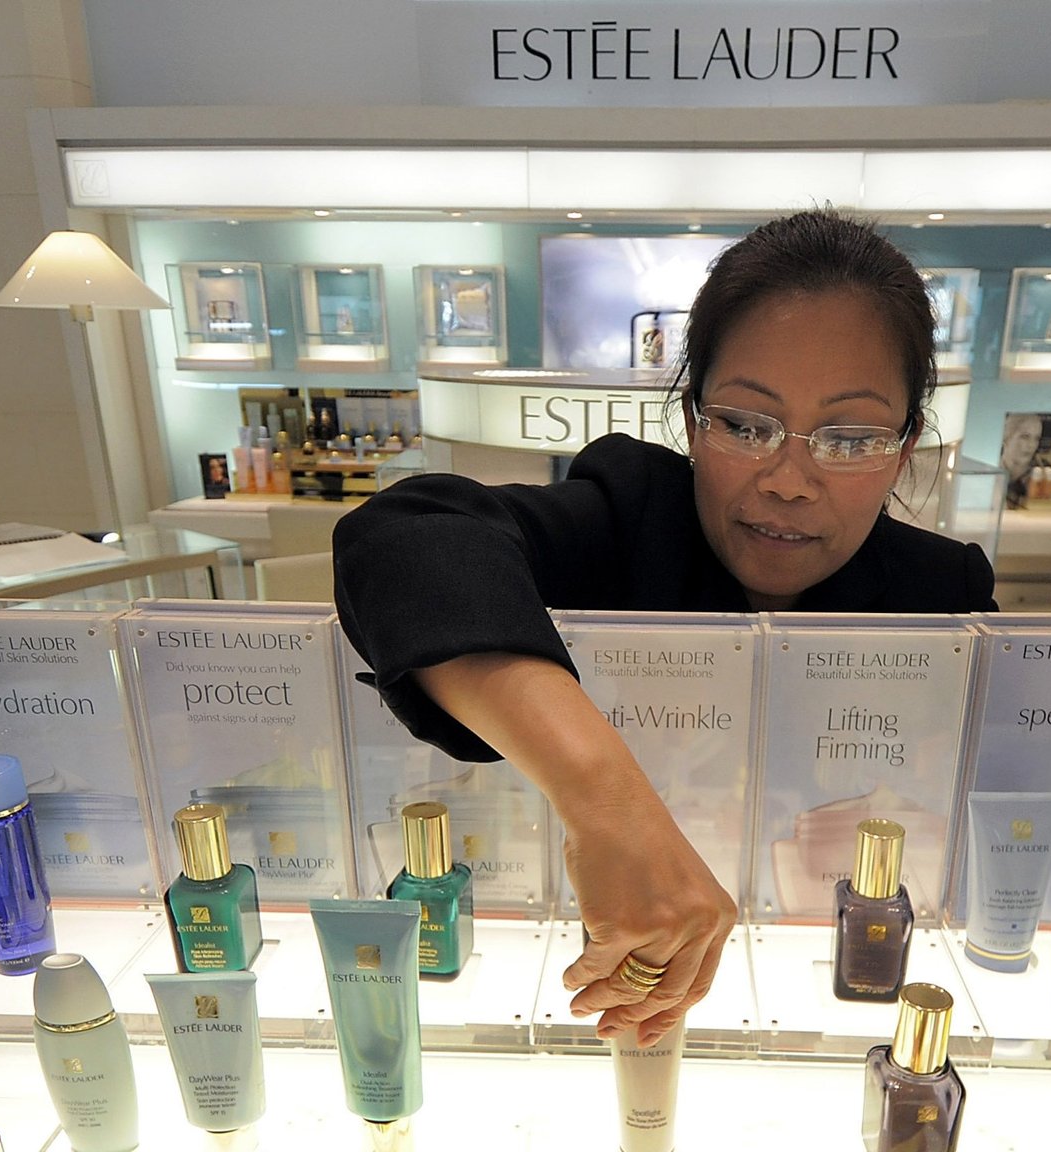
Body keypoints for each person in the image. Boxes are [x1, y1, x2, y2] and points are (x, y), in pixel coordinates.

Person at [335, 210, 997, 1047]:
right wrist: (608, 805)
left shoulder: (943, 593)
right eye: (745, 425)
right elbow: (405, 536)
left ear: (904, 449)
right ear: (691, 420)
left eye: (849, 438)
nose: (788, 481)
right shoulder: (631, 516)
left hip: (831, 1000)